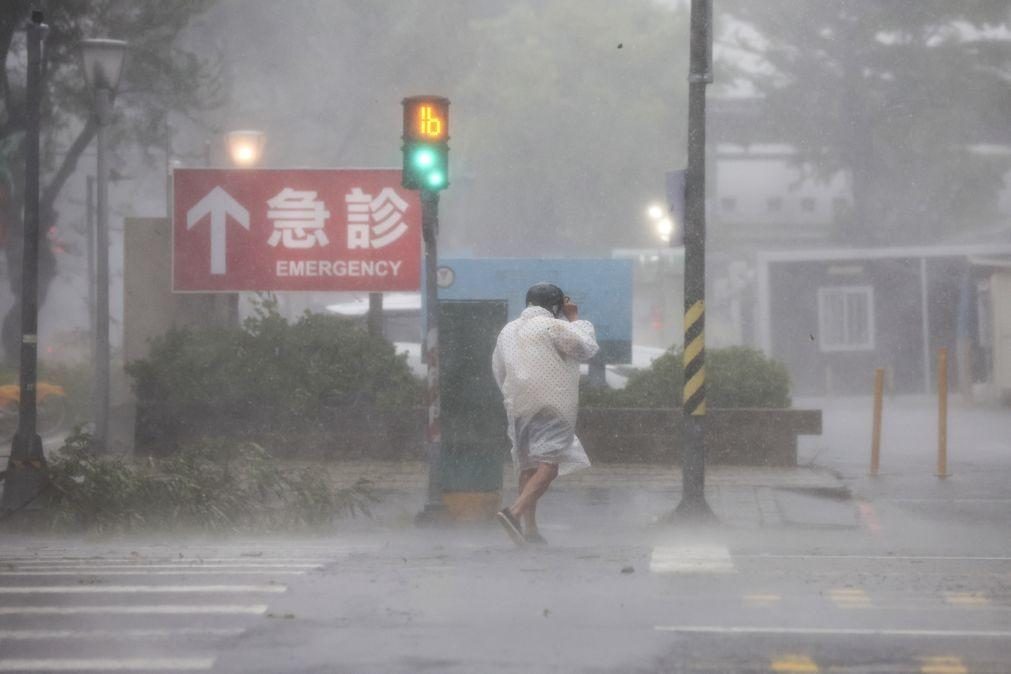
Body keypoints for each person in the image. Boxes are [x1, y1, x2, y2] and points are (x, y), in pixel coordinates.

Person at [492, 282, 599, 545]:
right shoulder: (553, 326)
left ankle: (530, 529)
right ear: (554, 306)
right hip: (553, 405)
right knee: (549, 465)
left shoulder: (507, 331)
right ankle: (514, 513)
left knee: (527, 464)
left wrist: (515, 394)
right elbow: (585, 348)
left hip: (519, 405)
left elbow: (499, 370)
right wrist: (575, 318)